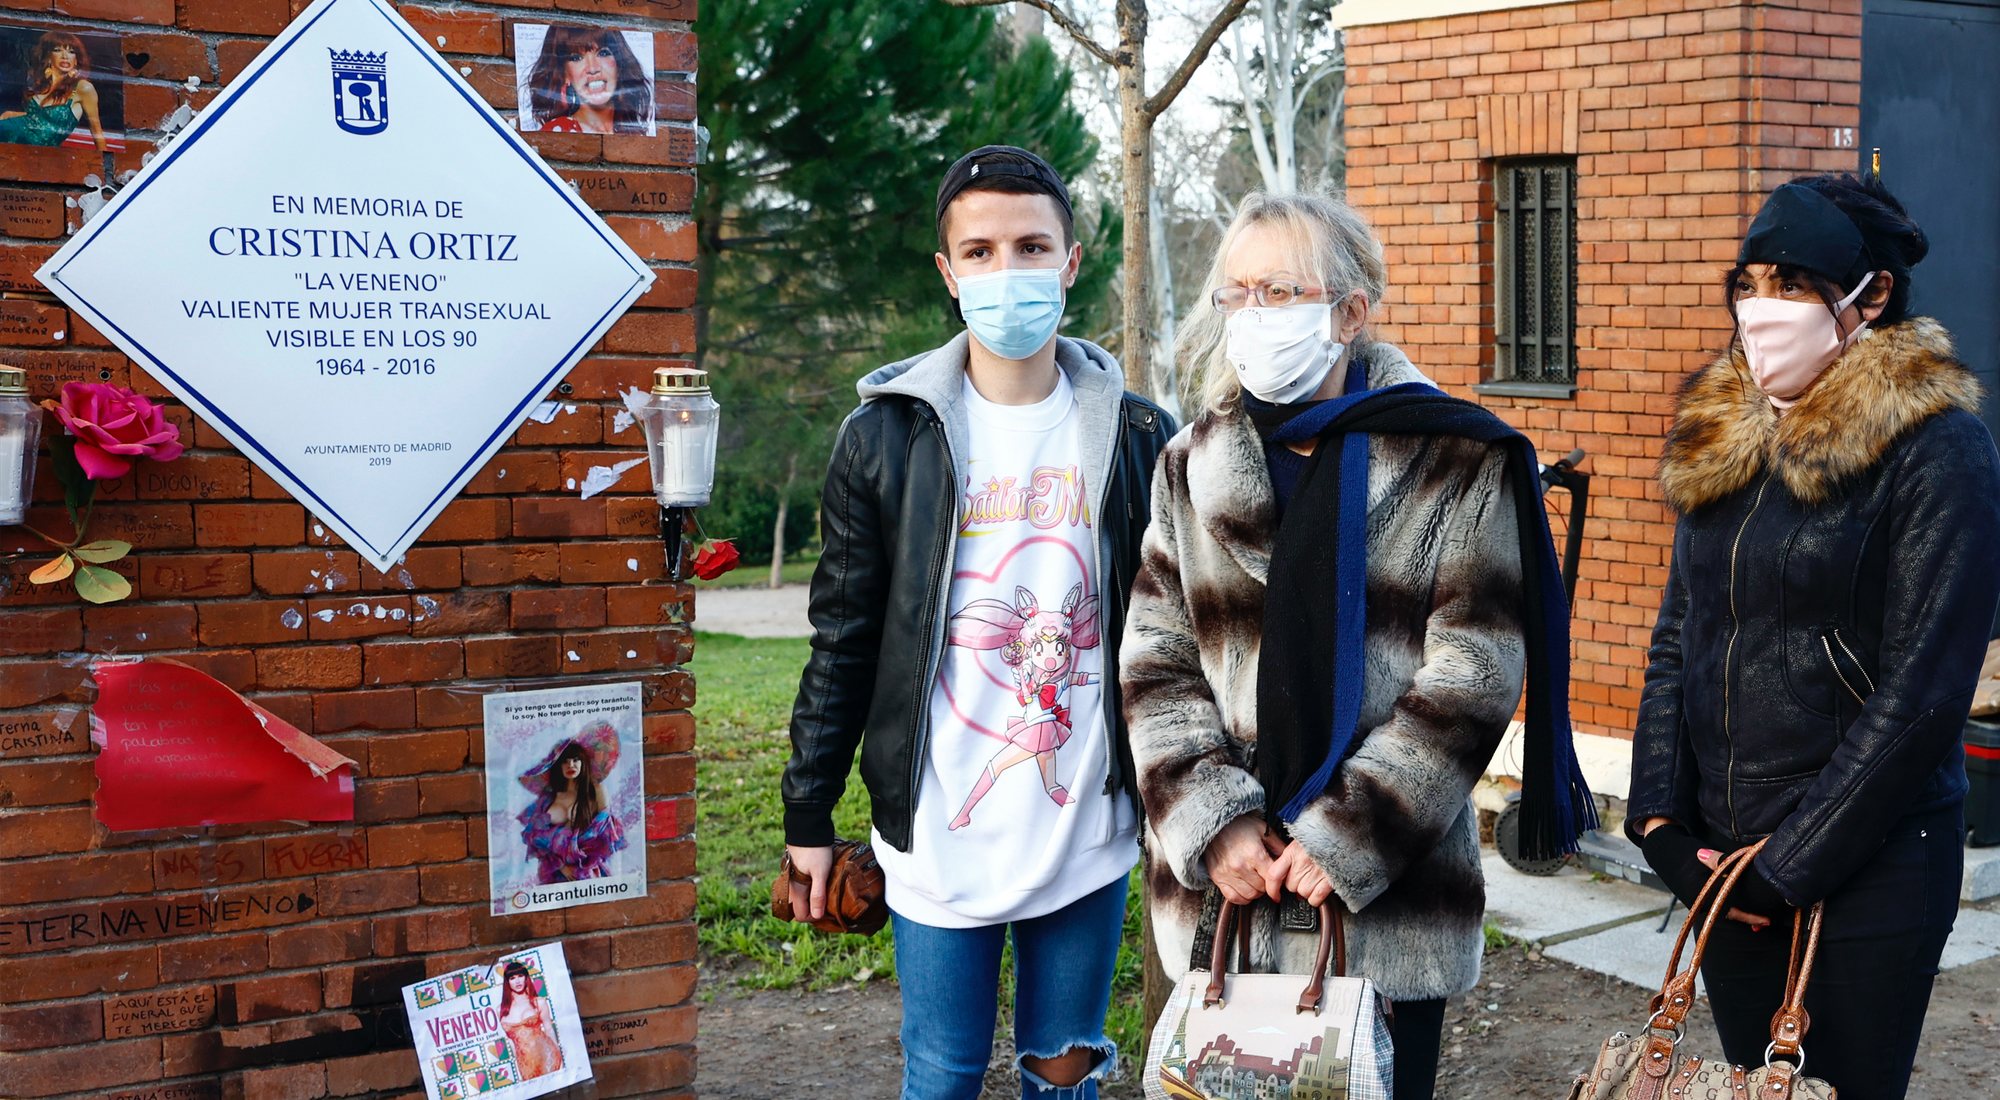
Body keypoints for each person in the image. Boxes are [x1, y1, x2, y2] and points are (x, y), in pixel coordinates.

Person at [1120, 190, 1594, 1100]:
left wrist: (1347, 836)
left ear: (1349, 311)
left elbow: (1475, 671)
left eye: (1281, 291)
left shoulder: (1455, 460)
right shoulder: (1191, 461)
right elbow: (1156, 658)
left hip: (1390, 904)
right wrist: (1214, 823)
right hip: (1232, 900)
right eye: (1238, 294)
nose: (1255, 316)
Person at [779, 145, 1174, 1099]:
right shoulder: (882, 438)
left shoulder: (1140, 437)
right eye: (983, 251)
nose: (1010, 272)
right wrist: (807, 812)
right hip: (936, 838)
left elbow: (1174, 639)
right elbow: (844, 638)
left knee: (1064, 1075)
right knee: (944, 1073)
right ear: (950, 274)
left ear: (1072, 263)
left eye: (1032, 246)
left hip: (1085, 831)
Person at [1629, 171, 2000, 1098]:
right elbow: (1679, 633)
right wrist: (1661, 821)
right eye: (1748, 284)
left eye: (1793, 284)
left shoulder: (1935, 447)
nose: (1763, 309)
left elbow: (1925, 694)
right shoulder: (1725, 432)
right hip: (1726, 862)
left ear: (1870, 296)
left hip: (1870, 873)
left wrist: (1786, 870)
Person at [517, 725, 628, 883]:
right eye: (565, 761)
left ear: (583, 763)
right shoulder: (548, 798)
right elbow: (535, 837)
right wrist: (561, 865)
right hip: (554, 874)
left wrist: (577, 861)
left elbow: (603, 834)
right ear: (558, 766)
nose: (571, 765)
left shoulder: (596, 791)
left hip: (589, 873)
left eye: (576, 760)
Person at [520, 25, 653, 135]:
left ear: (619, 65)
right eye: (576, 58)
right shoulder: (559, 131)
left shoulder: (635, 131)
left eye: (603, 53)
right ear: (564, 74)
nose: (593, 68)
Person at [0, 31, 109, 152]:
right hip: (9, 138)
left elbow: (97, 132)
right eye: (58, 50)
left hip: (35, 154)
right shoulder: (42, 85)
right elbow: (37, 120)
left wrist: (105, 165)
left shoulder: (82, 88)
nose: (65, 56)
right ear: (48, 56)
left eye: (71, 52)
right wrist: (9, 115)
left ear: (76, 60)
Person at [497, 960, 562, 1080]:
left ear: (526, 977)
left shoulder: (539, 1002)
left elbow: (549, 1029)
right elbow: (511, 1043)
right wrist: (518, 1070)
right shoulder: (500, 1010)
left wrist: (561, 1059)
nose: (517, 981)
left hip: (547, 1057)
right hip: (526, 1066)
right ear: (507, 982)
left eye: (520, 976)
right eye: (512, 978)